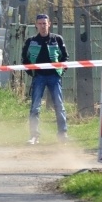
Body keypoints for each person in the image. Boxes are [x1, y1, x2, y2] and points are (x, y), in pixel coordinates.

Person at [22, 13, 69, 145]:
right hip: (39, 77)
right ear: (36, 25)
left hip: (54, 77)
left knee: (59, 105)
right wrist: (32, 73)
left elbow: (65, 58)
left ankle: (62, 134)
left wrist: (60, 72)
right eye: (40, 23)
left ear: (49, 24)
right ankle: (34, 136)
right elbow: (25, 59)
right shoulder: (31, 41)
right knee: (35, 107)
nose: (42, 26)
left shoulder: (57, 39)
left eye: (44, 23)